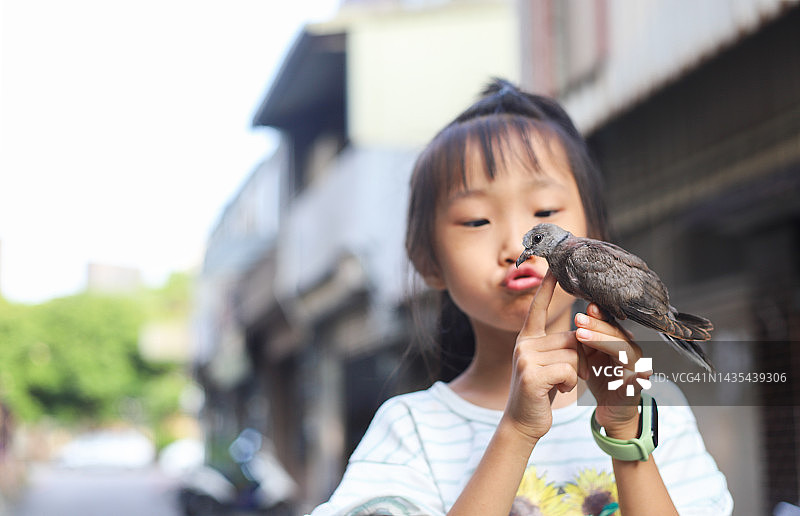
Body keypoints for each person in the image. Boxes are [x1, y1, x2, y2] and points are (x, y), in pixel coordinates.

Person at [309, 79, 733, 516]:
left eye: (545, 212)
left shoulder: (658, 405)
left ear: (597, 238)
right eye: (476, 220)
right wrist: (517, 430)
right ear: (427, 261)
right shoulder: (409, 431)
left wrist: (626, 430)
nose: (515, 244)